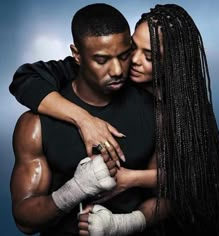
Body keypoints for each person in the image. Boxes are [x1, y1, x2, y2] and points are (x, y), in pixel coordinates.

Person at [10, 3, 219, 236]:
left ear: (170, 62)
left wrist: (124, 211)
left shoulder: (170, 113)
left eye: (147, 56)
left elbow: (188, 182)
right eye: (132, 50)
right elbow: (26, 79)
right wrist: (84, 121)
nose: (123, 67)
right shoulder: (42, 116)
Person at [10, 4, 160, 236]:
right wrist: (74, 190)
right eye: (102, 60)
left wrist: (122, 224)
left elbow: (173, 195)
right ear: (77, 55)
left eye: (124, 55)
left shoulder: (154, 112)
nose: (118, 70)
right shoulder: (35, 126)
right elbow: (24, 220)